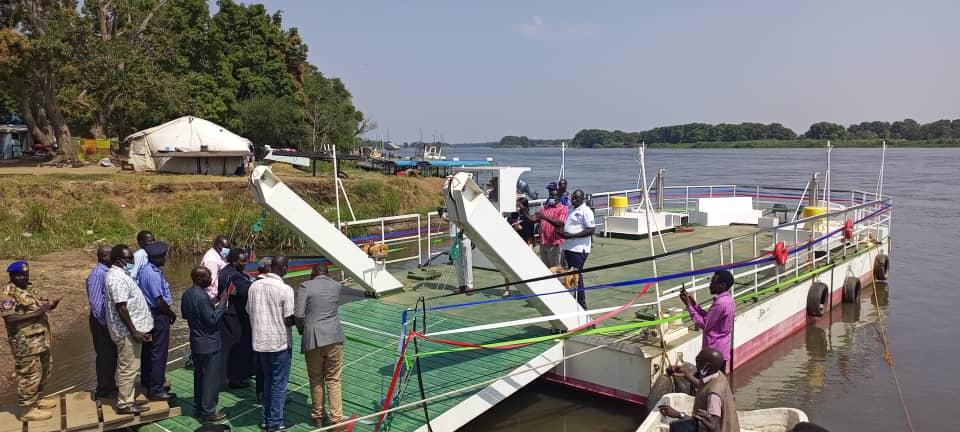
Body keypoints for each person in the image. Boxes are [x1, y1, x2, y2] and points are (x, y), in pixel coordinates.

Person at [1, 260, 60, 421]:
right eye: (20, 276)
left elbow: (36, 306)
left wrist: (49, 306)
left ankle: (36, 399)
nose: (24, 278)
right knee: (29, 374)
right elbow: (10, 318)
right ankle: (27, 410)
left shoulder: (27, 288)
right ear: (12, 276)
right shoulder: (8, 293)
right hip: (24, 343)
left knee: (46, 369)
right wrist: (38, 313)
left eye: (26, 275)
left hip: (40, 339)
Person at [247, 255, 296, 432]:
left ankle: (265, 420)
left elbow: (248, 310)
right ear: (284, 269)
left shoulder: (254, 286)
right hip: (279, 343)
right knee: (278, 385)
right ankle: (275, 422)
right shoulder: (285, 289)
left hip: (260, 342)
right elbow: (288, 318)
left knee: (267, 381)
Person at [104, 245, 153, 415]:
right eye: (129, 258)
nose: (132, 261)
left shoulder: (120, 274)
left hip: (129, 330)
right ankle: (125, 403)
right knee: (128, 367)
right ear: (119, 260)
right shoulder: (116, 278)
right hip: (126, 333)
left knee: (131, 366)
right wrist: (134, 331)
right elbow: (121, 307)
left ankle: (128, 398)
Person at [296, 264, 345, 427]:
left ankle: (318, 416)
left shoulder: (305, 286)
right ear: (327, 274)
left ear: (312, 273)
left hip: (313, 339)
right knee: (334, 379)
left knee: (316, 378)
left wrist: (302, 330)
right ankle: (336, 419)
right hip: (334, 337)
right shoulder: (337, 286)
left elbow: (299, 314)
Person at [181, 266, 230, 423]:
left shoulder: (187, 294)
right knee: (210, 379)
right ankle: (208, 412)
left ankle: (198, 407)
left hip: (196, 341)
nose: (211, 280)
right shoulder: (202, 297)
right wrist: (222, 303)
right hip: (209, 343)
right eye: (208, 277)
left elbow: (185, 314)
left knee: (199, 376)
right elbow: (212, 320)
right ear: (199, 279)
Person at [658, 348, 739, 432]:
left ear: (707, 366)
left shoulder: (713, 396)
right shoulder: (719, 375)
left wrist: (679, 415)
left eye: (697, 360)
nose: (696, 363)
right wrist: (685, 375)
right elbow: (705, 387)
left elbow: (710, 426)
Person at [136, 241, 177, 401]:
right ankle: (156, 389)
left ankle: (147, 380)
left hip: (148, 314)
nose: (166, 259)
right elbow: (159, 301)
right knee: (159, 352)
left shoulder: (146, 269)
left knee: (148, 350)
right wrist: (171, 314)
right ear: (157, 258)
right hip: (158, 316)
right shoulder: (152, 274)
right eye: (164, 256)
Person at [679, 270, 736, 368]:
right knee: (719, 376)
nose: (710, 285)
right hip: (722, 350)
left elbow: (704, 324)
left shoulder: (720, 303)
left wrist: (688, 306)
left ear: (722, 285)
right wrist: (694, 304)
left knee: (707, 377)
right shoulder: (729, 300)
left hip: (712, 353)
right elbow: (710, 318)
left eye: (713, 282)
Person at [218, 249, 257, 389]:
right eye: (242, 261)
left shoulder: (225, 271)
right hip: (235, 316)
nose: (245, 263)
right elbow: (245, 290)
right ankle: (236, 378)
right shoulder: (234, 275)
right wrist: (260, 284)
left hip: (228, 314)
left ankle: (225, 377)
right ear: (234, 261)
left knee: (226, 347)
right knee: (239, 347)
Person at [86, 245, 118, 400]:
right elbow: (96, 303)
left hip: (108, 321)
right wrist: (106, 324)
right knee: (105, 355)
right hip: (101, 322)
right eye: (111, 255)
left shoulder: (108, 272)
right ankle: (104, 389)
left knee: (111, 355)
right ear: (104, 257)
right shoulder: (97, 275)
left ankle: (110, 385)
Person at [559, 190, 595, 308]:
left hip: (579, 249)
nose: (573, 199)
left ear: (582, 199)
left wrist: (572, 235)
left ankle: (581, 305)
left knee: (577, 276)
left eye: (576, 197)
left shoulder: (586, 211)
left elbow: (591, 230)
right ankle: (574, 300)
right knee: (571, 275)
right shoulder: (571, 208)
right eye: (573, 197)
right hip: (568, 247)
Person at [535, 191, 569, 268]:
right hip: (543, 243)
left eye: (554, 195)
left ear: (558, 197)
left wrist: (545, 217)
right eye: (550, 195)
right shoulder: (544, 208)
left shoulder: (563, 208)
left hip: (554, 244)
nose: (551, 197)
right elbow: (535, 219)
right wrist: (524, 210)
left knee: (555, 268)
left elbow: (560, 223)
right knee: (545, 268)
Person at [200, 235, 232, 300]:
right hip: (213, 298)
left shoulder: (219, 253)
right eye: (225, 248)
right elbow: (209, 284)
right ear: (217, 246)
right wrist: (215, 299)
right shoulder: (211, 261)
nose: (227, 251)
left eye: (228, 248)